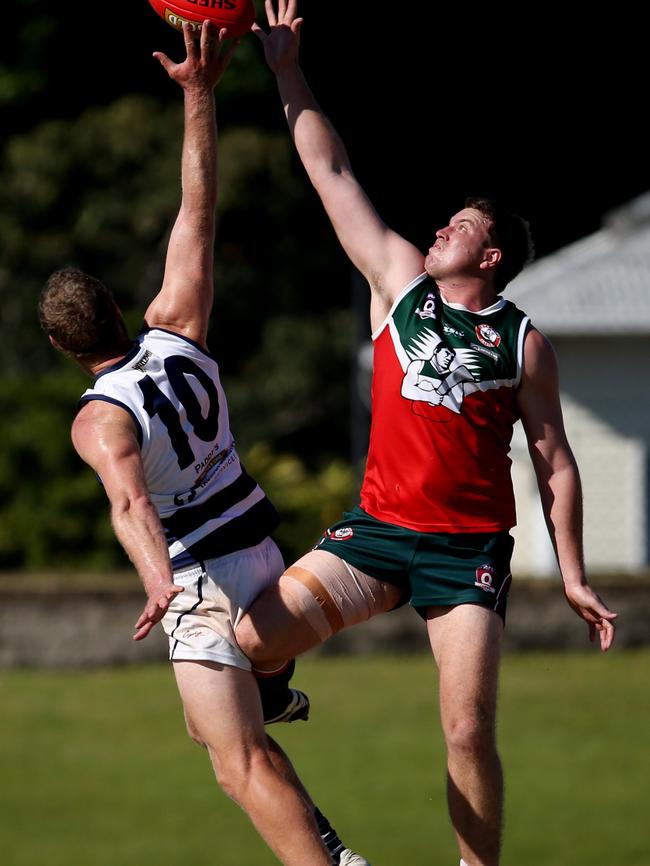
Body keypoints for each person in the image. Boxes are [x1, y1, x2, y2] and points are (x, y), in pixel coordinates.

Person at [235, 4, 619, 866]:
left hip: (467, 549)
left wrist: (575, 574)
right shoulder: (400, 286)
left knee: (467, 731)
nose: (442, 226)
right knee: (254, 640)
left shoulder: (523, 343)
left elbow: (556, 462)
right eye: (446, 220)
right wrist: (286, 70)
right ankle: (281, 693)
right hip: (378, 536)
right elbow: (331, 172)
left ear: (491, 258)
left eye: (463, 226)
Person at [38, 20, 367, 866]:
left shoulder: (97, 418)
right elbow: (198, 205)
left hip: (203, 580)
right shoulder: (177, 324)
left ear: (63, 349)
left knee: (237, 761)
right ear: (118, 307)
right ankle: (275, 685)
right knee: (213, 726)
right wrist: (197, 94)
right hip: (257, 544)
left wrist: (159, 587)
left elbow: (129, 502)